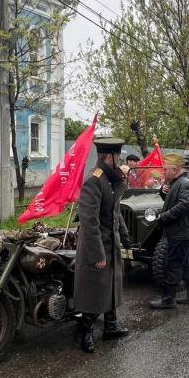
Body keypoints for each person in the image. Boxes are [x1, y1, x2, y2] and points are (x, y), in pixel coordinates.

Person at [73, 138, 131, 353]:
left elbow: (115, 211)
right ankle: (86, 333)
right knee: (95, 290)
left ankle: (111, 327)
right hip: (96, 245)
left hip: (111, 242)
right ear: (109, 157)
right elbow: (89, 222)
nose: (120, 159)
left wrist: (124, 234)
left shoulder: (109, 179)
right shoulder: (94, 180)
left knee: (112, 286)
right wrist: (98, 254)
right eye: (118, 156)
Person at [150, 154, 189, 309]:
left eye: (166, 170)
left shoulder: (185, 184)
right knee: (186, 265)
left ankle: (168, 300)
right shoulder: (176, 183)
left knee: (174, 266)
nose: (164, 172)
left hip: (181, 233)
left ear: (175, 169)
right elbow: (171, 201)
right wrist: (163, 192)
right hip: (181, 232)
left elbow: (184, 205)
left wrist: (163, 216)